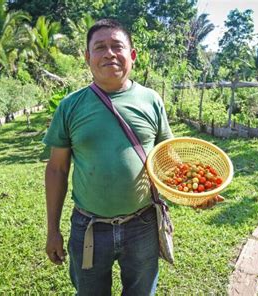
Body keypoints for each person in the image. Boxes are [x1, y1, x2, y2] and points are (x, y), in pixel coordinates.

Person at [43, 19, 222, 295]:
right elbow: (56, 170)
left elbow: (168, 157)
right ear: (87, 57)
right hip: (89, 226)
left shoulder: (151, 100)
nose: (109, 53)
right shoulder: (70, 106)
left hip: (142, 224)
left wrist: (194, 193)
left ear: (132, 55)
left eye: (117, 46)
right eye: (100, 47)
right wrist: (52, 229)